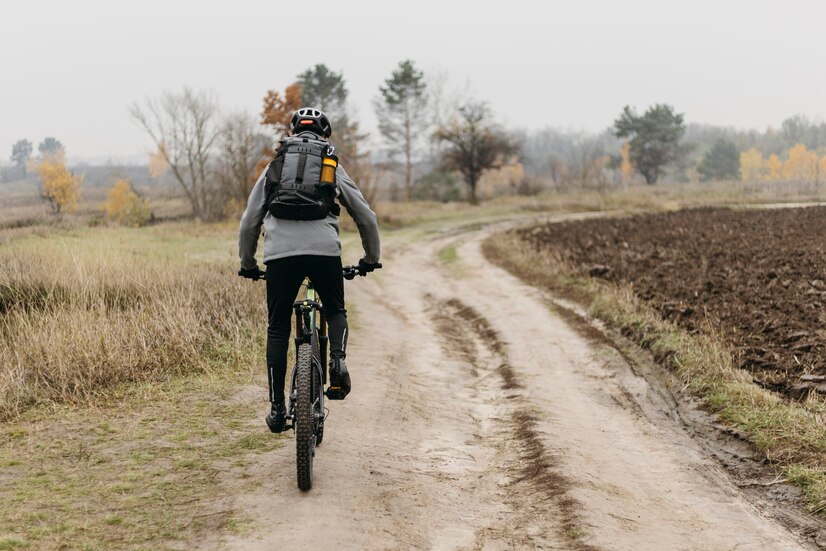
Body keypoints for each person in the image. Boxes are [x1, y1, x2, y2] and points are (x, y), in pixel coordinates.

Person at [238, 107, 381, 433]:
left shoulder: (276, 165)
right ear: (324, 135)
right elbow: (366, 217)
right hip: (323, 254)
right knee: (335, 309)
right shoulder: (330, 164)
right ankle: (338, 360)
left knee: (277, 328)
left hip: (279, 257)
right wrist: (370, 259)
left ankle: (277, 407)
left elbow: (249, 221)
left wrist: (248, 264)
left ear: (291, 133)